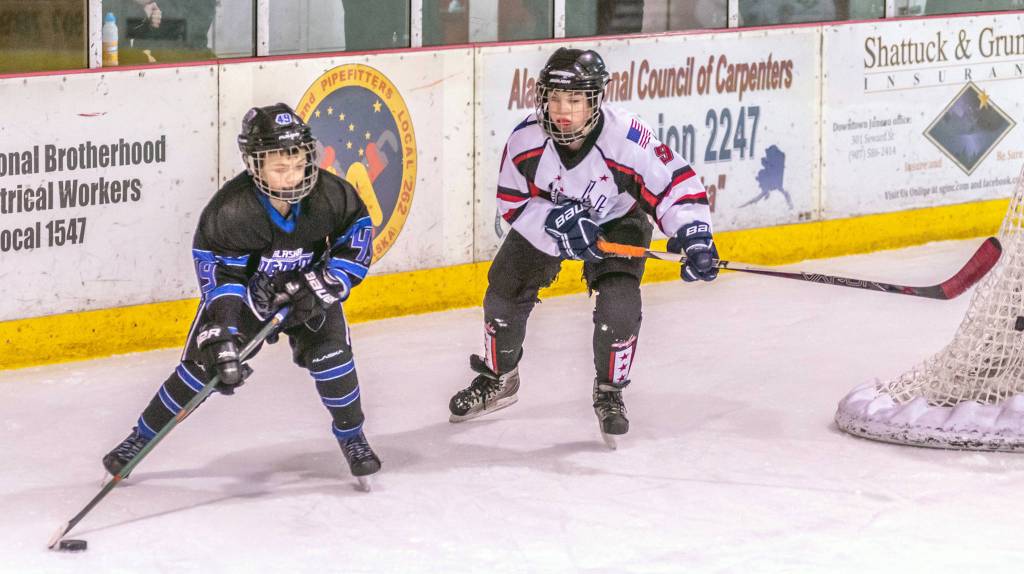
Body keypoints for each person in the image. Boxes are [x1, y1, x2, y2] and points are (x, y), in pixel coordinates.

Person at [448, 47, 718, 445]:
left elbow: (674, 184)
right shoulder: (526, 140)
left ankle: (610, 391)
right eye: (555, 98)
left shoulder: (626, 138)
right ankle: (499, 376)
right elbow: (512, 204)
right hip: (550, 220)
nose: (562, 110)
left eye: (574, 100)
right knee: (502, 293)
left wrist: (694, 234)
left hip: (615, 222)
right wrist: (553, 224)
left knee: (620, 305)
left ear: (594, 100)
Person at [102, 103, 381, 486]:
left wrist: (318, 286)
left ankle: (353, 438)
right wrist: (223, 336)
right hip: (251, 298)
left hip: (309, 294)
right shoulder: (231, 211)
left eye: (298, 164)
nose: (293, 176)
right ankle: (140, 438)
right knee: (202, 368)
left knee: (333, 359)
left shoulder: (332, 195)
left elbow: (358, 242)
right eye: (279, 168)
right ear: (255, 165)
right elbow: (222, 281)